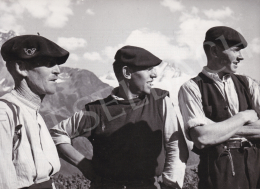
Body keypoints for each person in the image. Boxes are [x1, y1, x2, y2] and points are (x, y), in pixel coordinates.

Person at [50, 45, 189, 189]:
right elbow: (56, 133)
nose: (154, 74)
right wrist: (83, 164)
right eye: (148, 69)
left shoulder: (159, 100)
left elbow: (175, 144)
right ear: (127, 72)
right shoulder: (96, 110)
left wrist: (171, 184)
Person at [178, 26, 260, 189]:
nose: (241, 57)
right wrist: (243, 117)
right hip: (217, 175)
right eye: (236, 50)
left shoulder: (248, 83)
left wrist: (214, 128)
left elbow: (207, 134)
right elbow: (202, 139)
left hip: (256, 170)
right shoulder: (192, 87)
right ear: (215, 51)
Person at [0, 35, 69, 189]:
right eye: (49, 63)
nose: (58, 71)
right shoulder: (4, 114)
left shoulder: (33, 111)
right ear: (21, 68)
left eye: (57, 64)